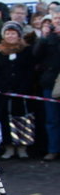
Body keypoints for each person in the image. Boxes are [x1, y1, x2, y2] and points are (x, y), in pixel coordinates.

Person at [0, 21, 36, 160]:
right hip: (4, 92)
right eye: (8, 33)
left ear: (19, 35)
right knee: (5, 119)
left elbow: (30, 71)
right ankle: (8, 147)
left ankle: (22, 147)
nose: (10, 36)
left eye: (13, 33)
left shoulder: (26, 50)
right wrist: (2, 86)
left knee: (23, 119)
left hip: (22, 92)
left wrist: (22, 87)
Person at [33, 10, 60, 160]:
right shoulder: (47, 37)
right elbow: (36, 55)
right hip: (50, 82)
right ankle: (53, 149)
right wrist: (44, 38)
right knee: (51, 119)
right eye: (55, 19)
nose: (58, 21)